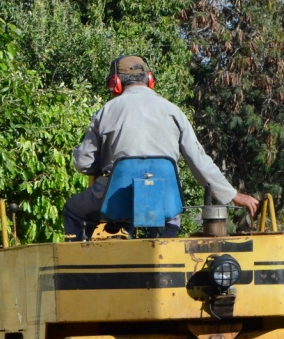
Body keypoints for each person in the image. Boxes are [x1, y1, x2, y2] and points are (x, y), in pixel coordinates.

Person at [65, 55, 259, 240]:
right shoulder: (173, 111)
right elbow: (200, 163)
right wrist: (233, 195)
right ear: (149, 80)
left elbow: (83, 163)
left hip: (114, 200)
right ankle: (164, 257)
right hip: (165, 201)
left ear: (115, 83)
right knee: (170, 215)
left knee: (73, 210)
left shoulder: (106, 112)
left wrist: (103, 168)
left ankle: (76, 268)